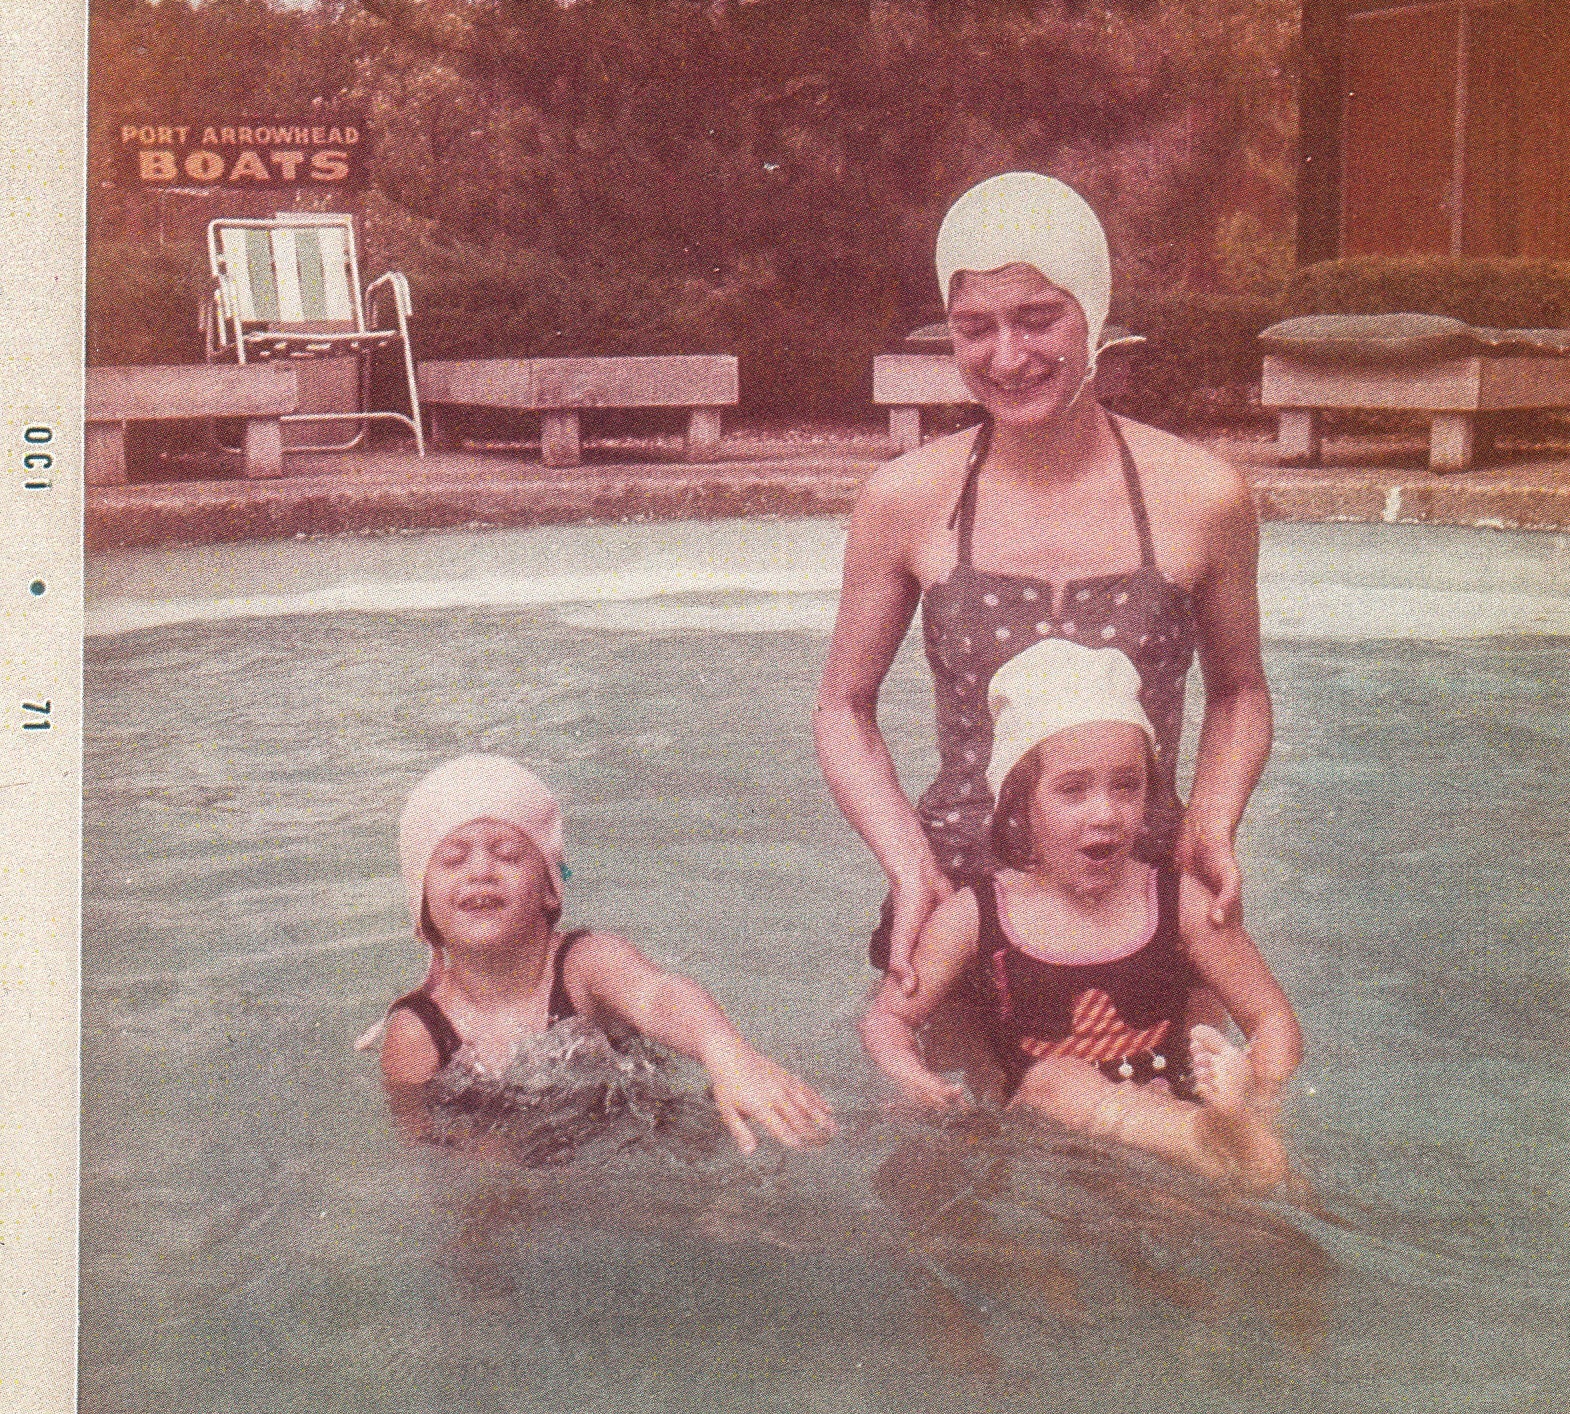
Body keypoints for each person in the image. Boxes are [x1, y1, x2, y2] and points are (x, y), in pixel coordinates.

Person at [815, 171, 1273, 994]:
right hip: (960, 901)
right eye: (974, 329)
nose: (1008, 357)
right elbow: (843, 708)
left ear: (1092, 314)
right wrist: (909, 866)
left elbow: (1239, 691)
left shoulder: (1202, 496)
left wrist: (1211, 822)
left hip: (1144, 901)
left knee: (1218, 1114)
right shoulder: (906, 500)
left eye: (1038, 319)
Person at [860, 639, 1300, 1190]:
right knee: (1056, 1081)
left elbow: (1274, 1019)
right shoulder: (976, 916)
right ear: (1020, 806)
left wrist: (1261, 1096)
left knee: (1251, 1181)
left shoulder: (1176, 901)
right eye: (1073, 791)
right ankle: (1214, 1139)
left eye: (1127, 786)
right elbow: (888, 1018)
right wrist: (911, 1075)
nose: (1105, 814)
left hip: (1165, 1111)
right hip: (1048, 1132)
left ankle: (1226, 1137)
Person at [371, 752, 836, 1155]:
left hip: (642, 1145)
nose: (481, 872)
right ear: (423, 904)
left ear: (551, 889)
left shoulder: (583, 964)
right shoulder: (419, 1032)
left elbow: (660, 996)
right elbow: (426, 1153)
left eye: (509, 854)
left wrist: (729, 1058)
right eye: (453, 860)